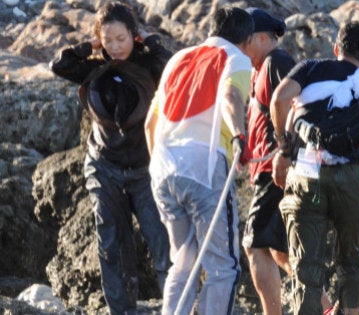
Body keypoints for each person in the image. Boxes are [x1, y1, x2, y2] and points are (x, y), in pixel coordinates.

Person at [49, 2, 171, 314]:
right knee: (112, 245)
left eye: (121, 38)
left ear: (134, 35)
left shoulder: (149, 66)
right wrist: (86, 46)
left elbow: (171, 66)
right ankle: (121, 310)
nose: (115, 47)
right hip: (104, 168)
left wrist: (150, 41)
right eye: (108, 40)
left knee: (162, 242)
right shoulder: (93, 67)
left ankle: (176, 307)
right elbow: (59, 65)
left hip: (146, 170)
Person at [270, 22, 359, 315]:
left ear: (336, 49)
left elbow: (280, 99)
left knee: (306, 262)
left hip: (307, 173)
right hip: (349, 177)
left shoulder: (311, 69)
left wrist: (285, 148)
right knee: (351, 259)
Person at [144, 6, 254, 315]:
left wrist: (159, 168)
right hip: (204, 169)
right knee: (223, 267)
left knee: (184, 260)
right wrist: (239, 137)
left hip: (163, 169)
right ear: (246, 39)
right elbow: (231, 98)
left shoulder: (178, 59)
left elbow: (149, 125)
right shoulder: (236, 59)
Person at [240, 7, 297, 315]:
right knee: (279, 251)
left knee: (254, 244)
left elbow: (294, 107)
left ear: (262, 38)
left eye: (244, 40)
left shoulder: (278, 62)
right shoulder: (260, 67)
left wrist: (284, 156)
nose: (239, 47)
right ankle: (331, 309)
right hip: (268, 167)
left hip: (276, 169)